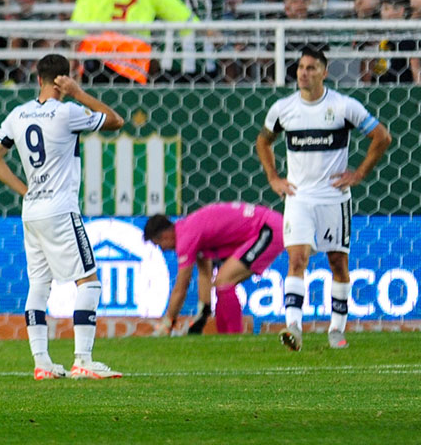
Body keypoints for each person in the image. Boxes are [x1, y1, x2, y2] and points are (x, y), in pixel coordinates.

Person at [0, 54, 125, 380]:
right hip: (60, 209)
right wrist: (78, 93)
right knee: (88, 280)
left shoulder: (17, 114)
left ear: (38, 79)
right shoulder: (67, 112)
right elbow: (116, 121)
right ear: (64, 79)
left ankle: (42, 363)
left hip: (32, 211)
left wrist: (25, 190)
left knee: (38, 285)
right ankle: (83, 360)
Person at [255, 46, 392, 351]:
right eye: (301, 68)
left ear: (324, 72)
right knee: (297, 259)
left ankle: (336, 330)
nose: (304, 73)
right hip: (299, 197)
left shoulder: (344, 107)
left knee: (338, 263)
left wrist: (359, 173)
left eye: (311, 68)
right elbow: (263, 142)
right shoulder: (283, 109)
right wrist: (273, 177)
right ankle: (293, 327)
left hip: (333, 197)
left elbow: (382, 136)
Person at [144, 202, 286, 336]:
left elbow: (181, 288)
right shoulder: (188, 229)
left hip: (268, 229)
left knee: (224, 281)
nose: (163, 249)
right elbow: (205, 273)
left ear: (165, 236)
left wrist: (168, 322)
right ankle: (224, 337)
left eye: (159, 245)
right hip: (267, 225)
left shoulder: (185, 238)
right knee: (221, 283)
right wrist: (203, 311)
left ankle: (235, 337)